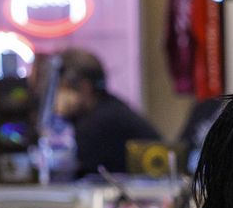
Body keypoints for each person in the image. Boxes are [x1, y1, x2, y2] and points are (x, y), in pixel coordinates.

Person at [55, 47, 161, 178]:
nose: (57, 98)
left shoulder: (98, 123)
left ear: (85, 87)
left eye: (61, 88)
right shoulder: (107, 108)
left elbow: (83, 178)